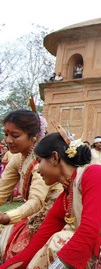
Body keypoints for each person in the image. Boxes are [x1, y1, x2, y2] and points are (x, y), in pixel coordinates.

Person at [1, 131, 101, 268]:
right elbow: (37, 244)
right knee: (54, 241)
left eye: (39, 161)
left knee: (61, 240)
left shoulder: (93, 174)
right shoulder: (66, 197)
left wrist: (55, 267)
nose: (37, 168)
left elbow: (89, 231)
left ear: (55, 157)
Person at [0, 110, 63, 262]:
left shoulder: (42, 160)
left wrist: (9, 216)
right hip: (31, 216)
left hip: (53, 218)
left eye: (15, 136)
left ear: (34, 136)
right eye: (6, 134)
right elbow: (1, 190)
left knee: (18, 255)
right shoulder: (18, 158)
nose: (8, 140)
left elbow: (37, 200)